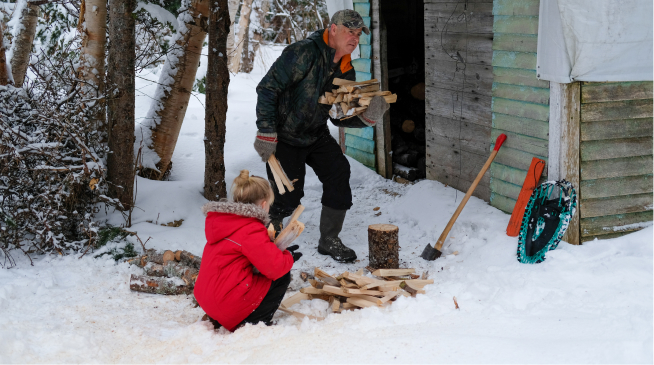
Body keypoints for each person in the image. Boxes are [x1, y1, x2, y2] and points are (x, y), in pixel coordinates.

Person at [253, 9, 390, 263]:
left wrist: (365, 118)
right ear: (334, 29)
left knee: (339, 171)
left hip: (315, 134)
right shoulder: (302, 53)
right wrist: (266, 130)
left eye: (358, 34)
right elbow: (267, 88)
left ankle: (329, 239)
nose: (355, 38)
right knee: (287, 195)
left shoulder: (346, 67)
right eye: (350, 32)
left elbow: (337, 115)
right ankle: (268, 238)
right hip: (284, 135)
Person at [193, 170, 303, 332]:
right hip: (225, 304)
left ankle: (221, 315)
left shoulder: (224, 221)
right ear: (264, 204)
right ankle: (254, 323)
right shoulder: (250, 228)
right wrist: (288, 257)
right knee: (281, 275)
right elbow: (274, 268)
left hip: (208, 300)